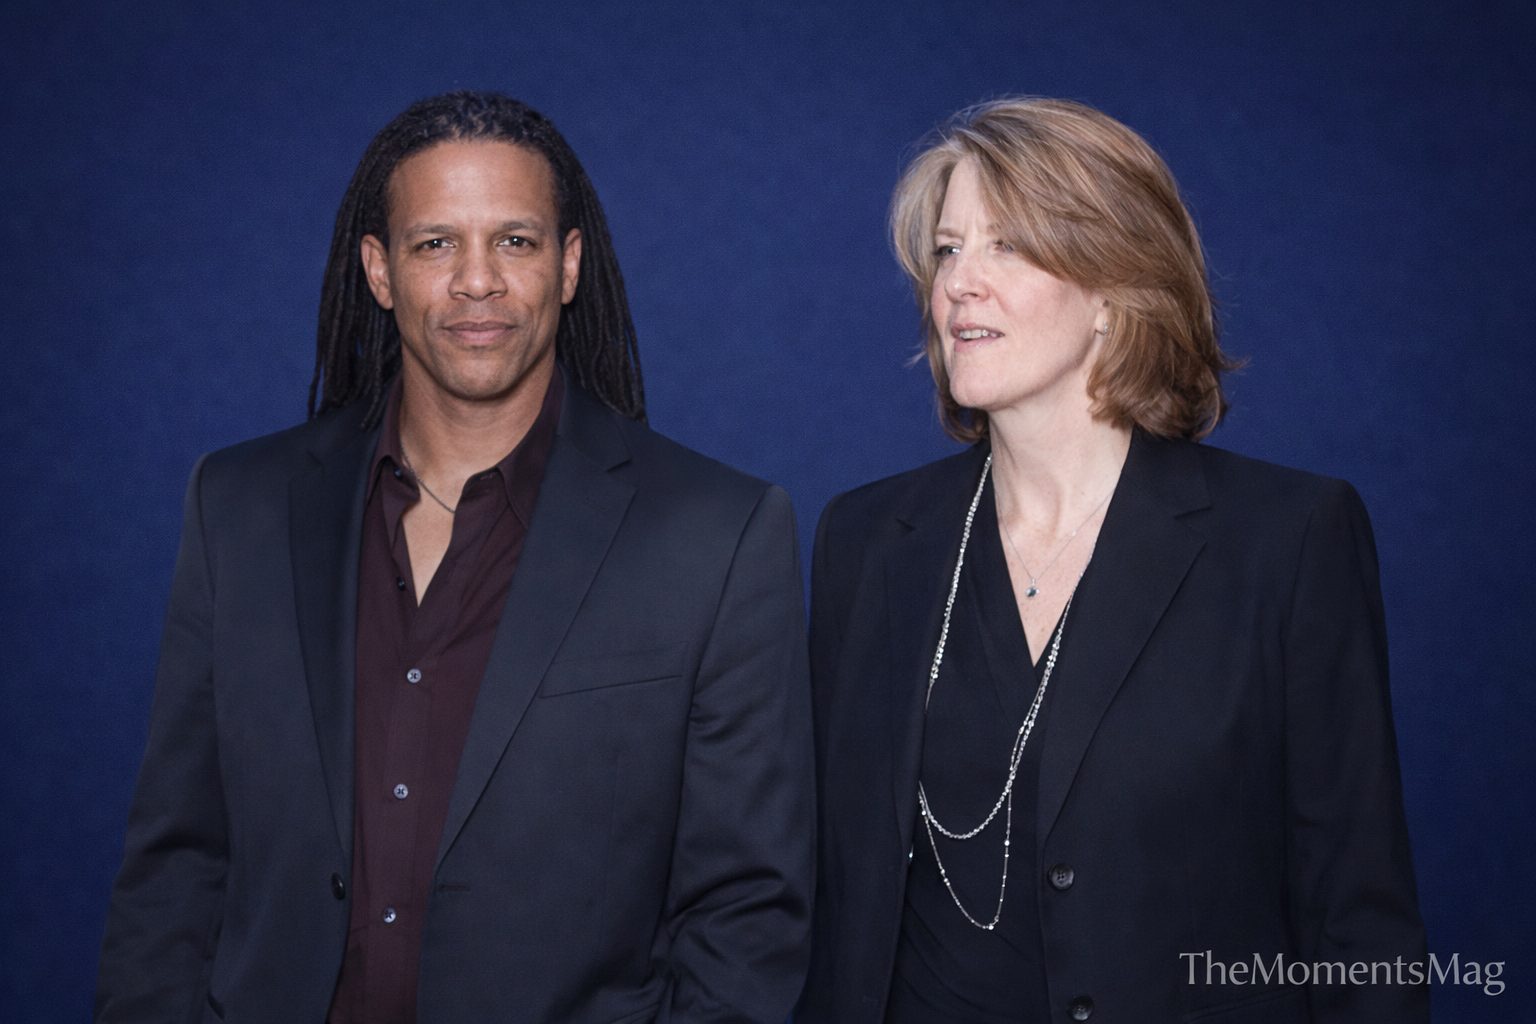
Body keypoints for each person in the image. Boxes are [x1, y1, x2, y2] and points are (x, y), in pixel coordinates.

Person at [96, 91, 813, 1024]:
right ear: (379, 270)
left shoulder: (715, 533)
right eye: (436, 243)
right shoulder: (240, 508)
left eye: (515, 240)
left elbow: (746, 915)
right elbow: (177, 864)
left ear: (568, 265)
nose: (479, 281)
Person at [798, 98, 1427, 1023]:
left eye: (1009, 245)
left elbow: (1358, 920)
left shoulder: (1288, 540)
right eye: (947, 249)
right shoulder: (864, 540)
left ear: (1113, 289)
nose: (960, 282)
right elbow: (828, 897)